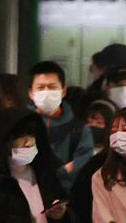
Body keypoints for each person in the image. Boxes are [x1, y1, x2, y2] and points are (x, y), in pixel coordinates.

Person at [29, 61, 96, 191]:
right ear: (31, 93)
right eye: (40, 87)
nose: (46, 92)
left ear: (63, 91)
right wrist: (64, 170)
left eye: (52, 87)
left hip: (65, 197)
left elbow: (81, 167)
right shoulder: (20, 125)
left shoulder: (79, 129)